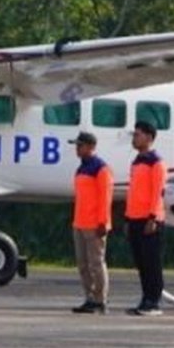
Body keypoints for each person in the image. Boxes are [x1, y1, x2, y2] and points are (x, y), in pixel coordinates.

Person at [125, 121, 166, 316]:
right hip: (135, 217)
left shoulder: (155, 162)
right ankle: (145, 297)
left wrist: (153, 217)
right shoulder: (137, 161)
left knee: (151, 262)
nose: (135, 138)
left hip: (149, 219)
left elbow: (158, 192)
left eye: (138, 134)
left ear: (149, 138)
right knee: (141, 262)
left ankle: (154, 300)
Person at [70, 131, 113, 314]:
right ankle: (89, 297)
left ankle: (100, 299)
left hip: (94, 223)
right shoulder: (81, 169)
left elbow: (105, 197)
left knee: (96, 263)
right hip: (80, 222)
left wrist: (102, 222)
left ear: (90, 147)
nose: (77, 149)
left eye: (80, 145)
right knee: (83, 264)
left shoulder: (101, 169)